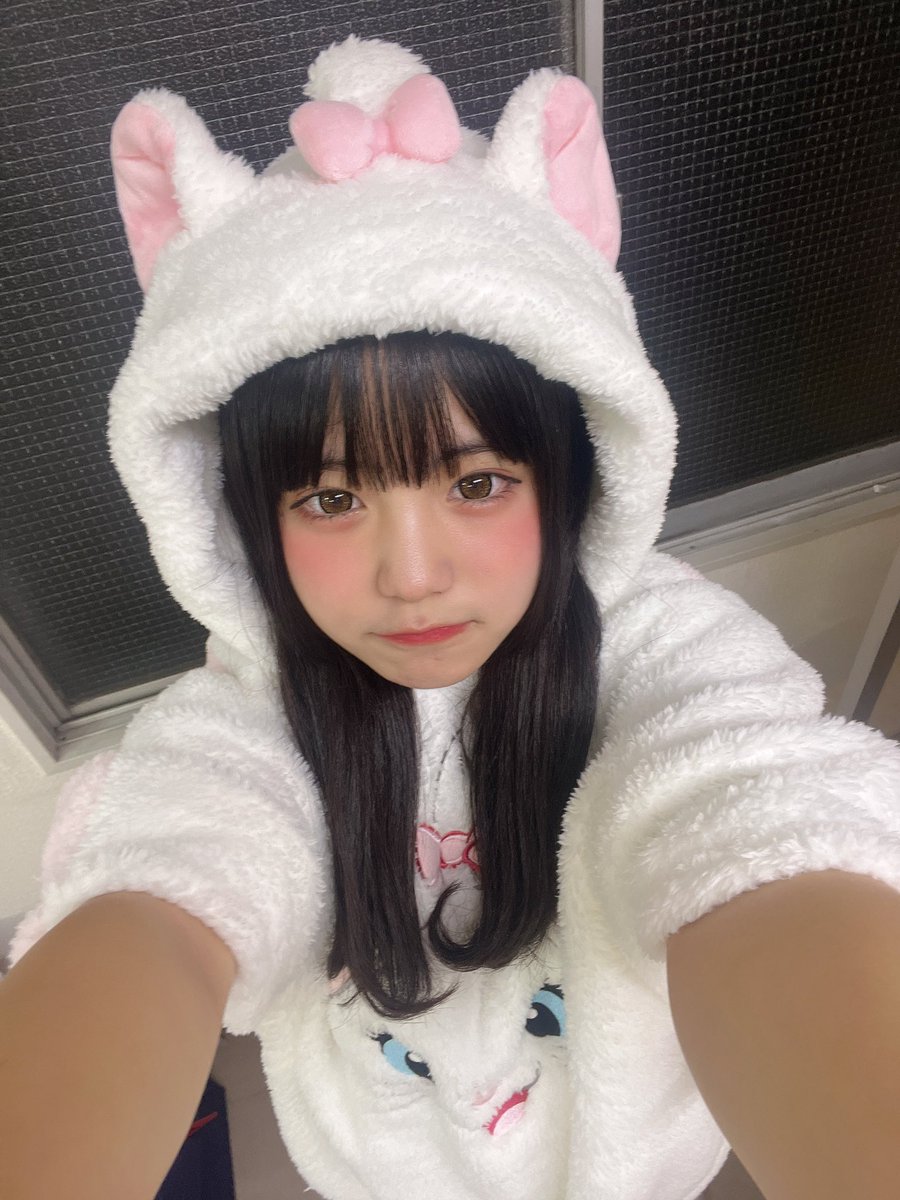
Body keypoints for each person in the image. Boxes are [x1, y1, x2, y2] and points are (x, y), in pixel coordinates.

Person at [1, 33, 899, 1200]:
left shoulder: (663, 653)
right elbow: (168, 887)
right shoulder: (251, 718)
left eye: (476, 483)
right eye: (332, 499)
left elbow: (750, 823)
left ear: (566, 472)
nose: (413, 575)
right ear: (247, 518)